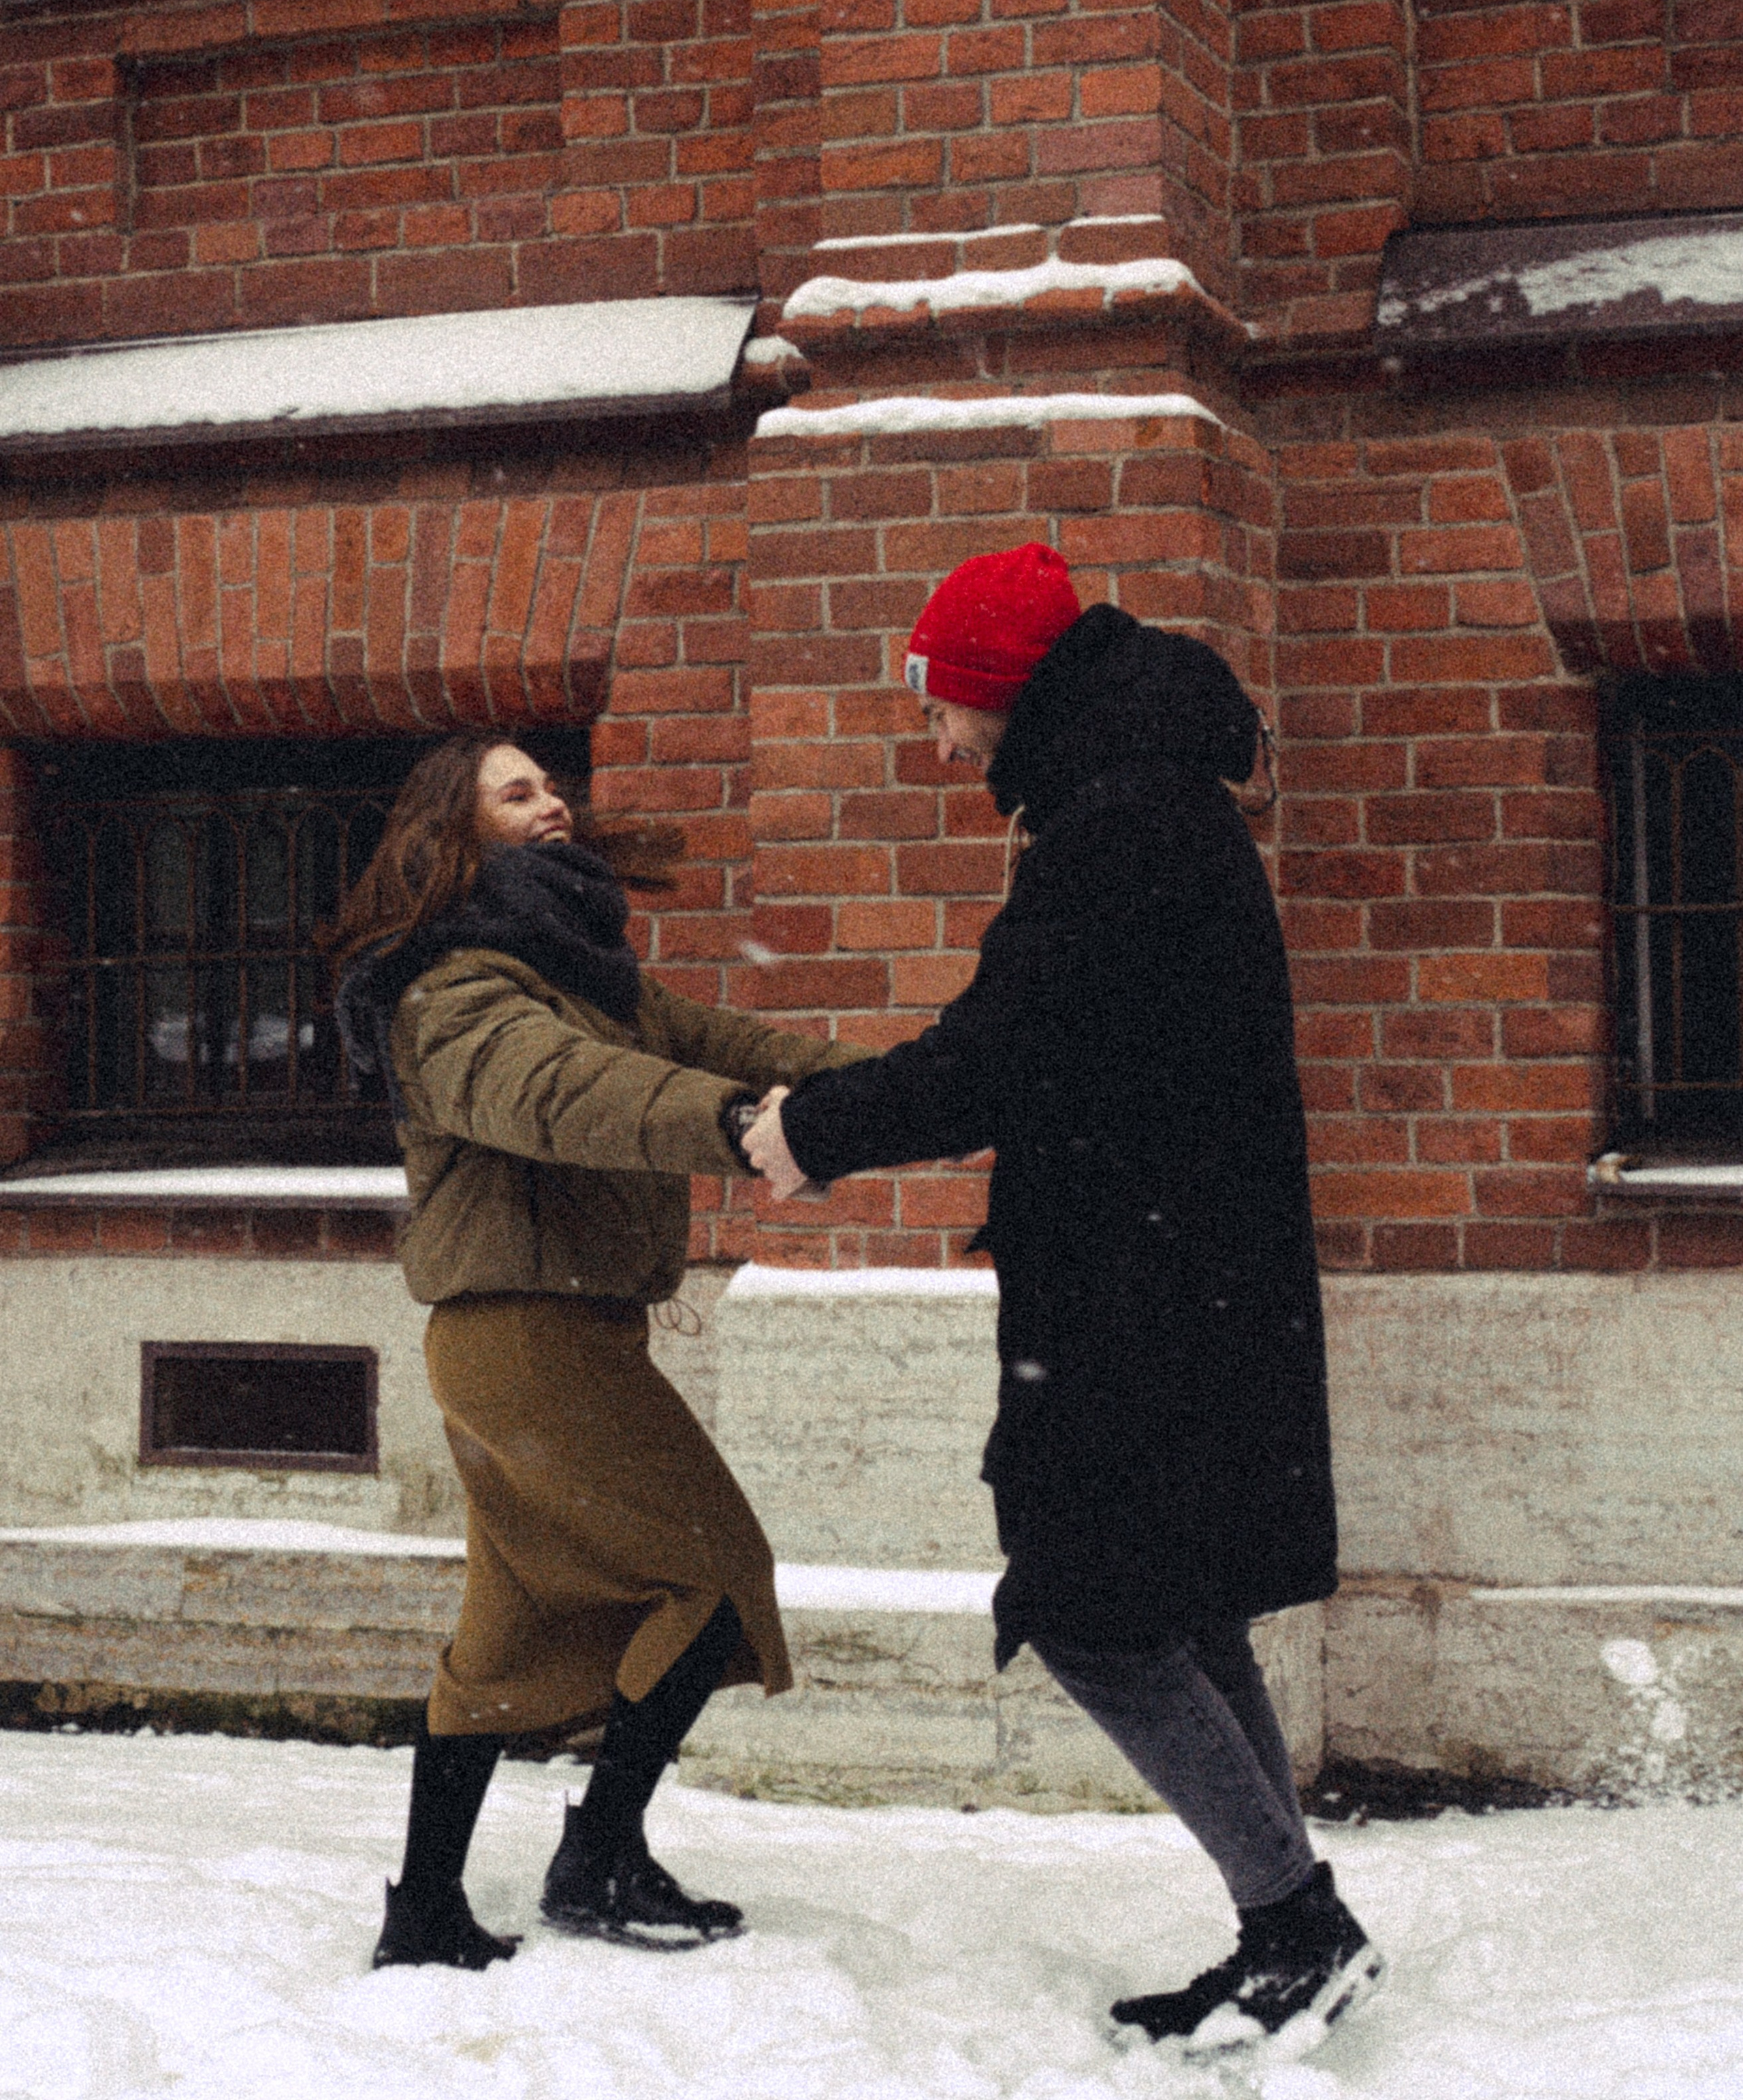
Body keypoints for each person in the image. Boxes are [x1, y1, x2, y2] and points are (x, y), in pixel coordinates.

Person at [744, 543, 1383, 2054]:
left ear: (999, 684)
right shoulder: (1134, 796)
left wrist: (809, 1133)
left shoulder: (1119, 822)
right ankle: (1287, 1921)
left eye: (938, 696)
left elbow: (997, 1053)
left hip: (1145, 1292)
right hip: (1176, 1274)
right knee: (1172, 1592)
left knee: (1092, 1607)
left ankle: (1296, 1923)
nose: (931, 733)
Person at [327, 732, 863, 1971]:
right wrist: (737, 1130)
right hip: (525, 1342)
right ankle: (599, 1859)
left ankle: (425, 1912)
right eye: (517, 792)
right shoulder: (450, 991)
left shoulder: (583, 978)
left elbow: (733, 1047)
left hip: (553, 1339)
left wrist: (912, 1089)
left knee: (505, 1643)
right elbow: (571, 1092)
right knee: (715, 1573)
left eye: (552, 783)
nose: (553, 802)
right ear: (451, 835)